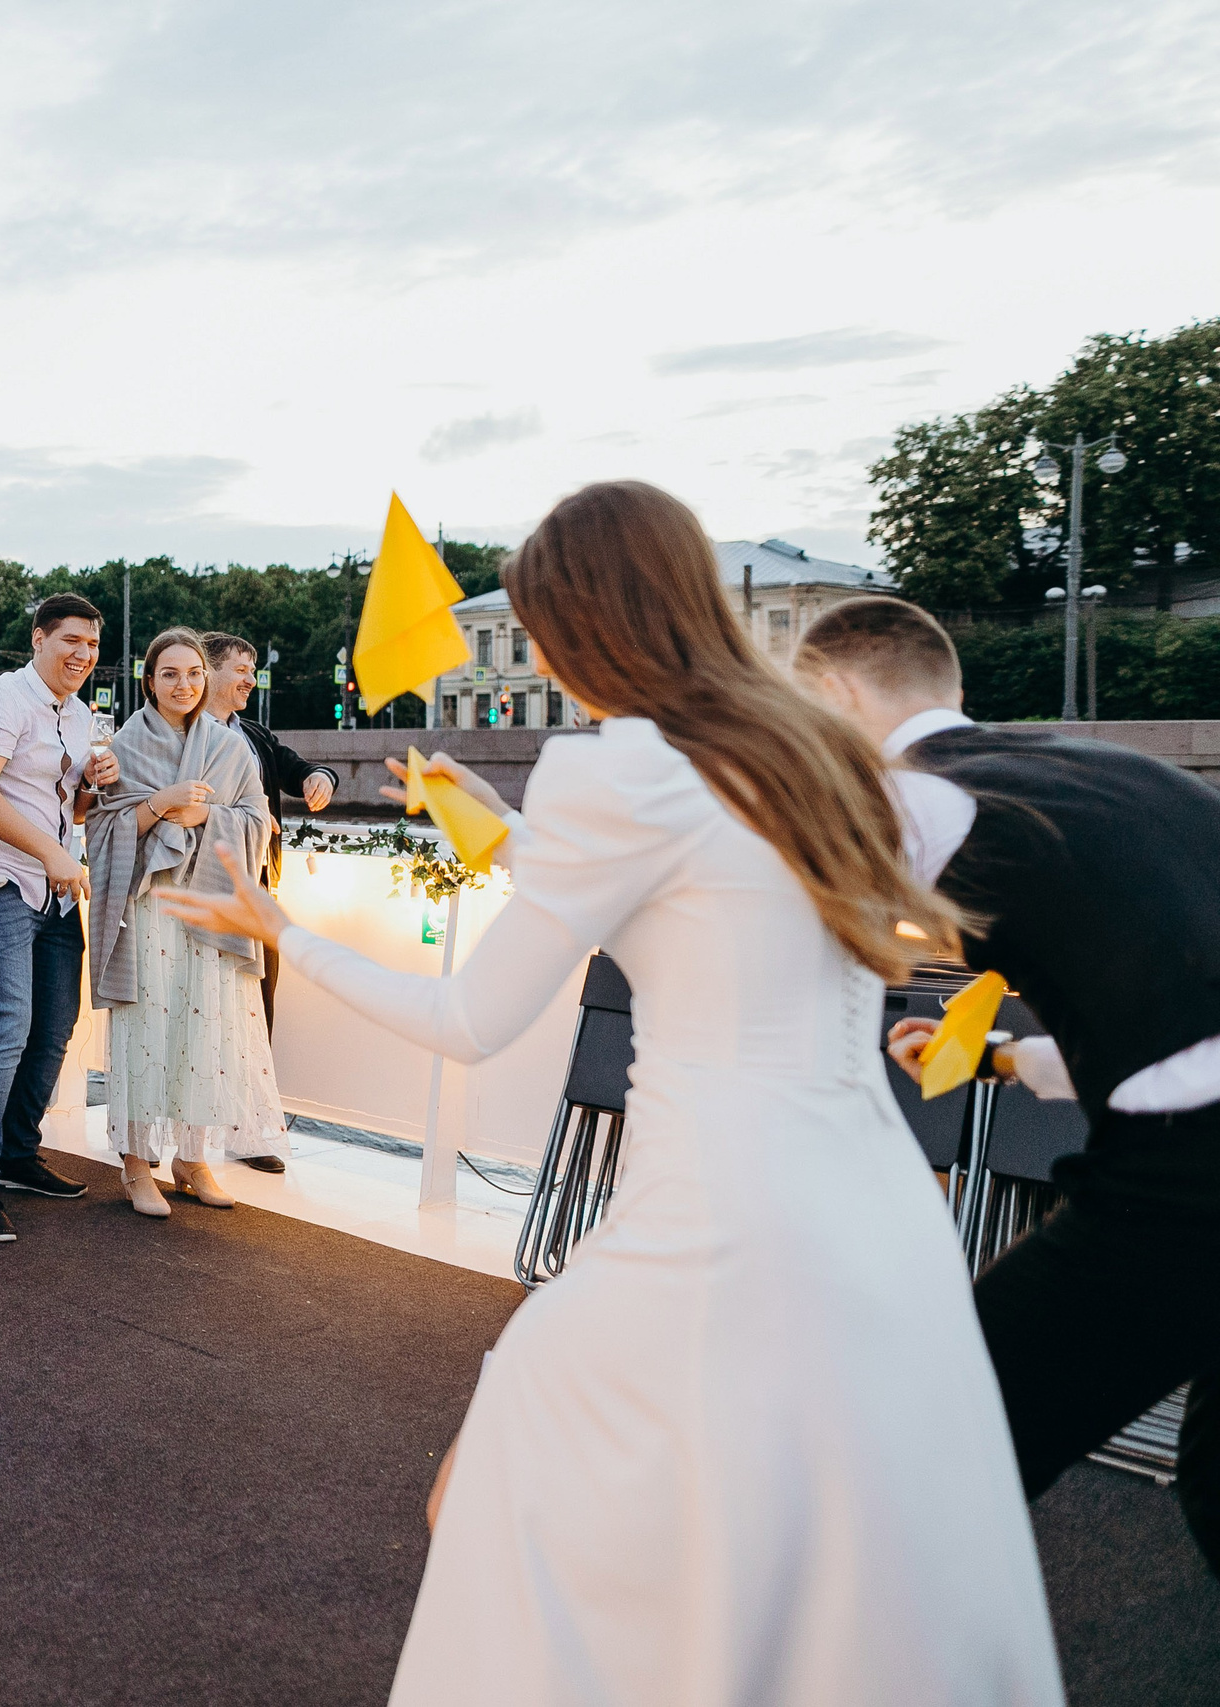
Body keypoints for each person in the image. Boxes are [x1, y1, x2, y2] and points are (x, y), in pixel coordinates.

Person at [163, 481, 1061, 1702]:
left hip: (709, 1228)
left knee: (507, 1503)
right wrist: (497, 824)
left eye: (540, 629)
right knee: (828, 1589)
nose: (536, 657)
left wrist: (287, 934)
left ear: (587, 624)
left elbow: (470, 1021)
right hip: (879, 1221)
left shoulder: (613, 772)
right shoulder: (815, 754)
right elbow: (706, 893)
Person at [798, 594, 1220, 1574]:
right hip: (1189, 1129)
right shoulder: (1118, 770)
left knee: (938, 1455)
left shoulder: (921, 797)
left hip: (1186, 1186)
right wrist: (996, 1056)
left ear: (834, 694)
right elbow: (1173, 1013)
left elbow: (752, 915)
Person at [0, 592, 119, 1244]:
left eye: (92, 645)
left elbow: (67, 807)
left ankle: (15, 1154)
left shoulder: (80, 714)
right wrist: (54, 854)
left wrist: (93, 784)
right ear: (39, 638)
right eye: (71, 640)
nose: (83, 654)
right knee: (5, 1022)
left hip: (50, 884)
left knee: (56, 1025)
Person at [86, 628, 285, 1217]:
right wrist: (162, 802)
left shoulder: (230, 748)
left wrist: (207, 815)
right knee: (147, 1029)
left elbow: (259, 820)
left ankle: (193, 1159)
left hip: (209, 909)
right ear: (149, 681)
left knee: (206, 1031)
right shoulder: (124, 745)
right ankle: (136, 1164)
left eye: (194, 673)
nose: (184, 685)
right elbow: (103, 830)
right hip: (150, 908)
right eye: (170, 674)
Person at [201, 631, 336, 1177]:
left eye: (253, 670)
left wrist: (319, 777)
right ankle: (184, 1135)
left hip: (258, 896)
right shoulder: (180, 731)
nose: (250, 680)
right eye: (241, 669)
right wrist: (247, 821)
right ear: (208, 670)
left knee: (258, 1012)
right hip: (203, 895)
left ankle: (248, 1131)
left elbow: (297, 767)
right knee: (198, 1014)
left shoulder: (253, 734)